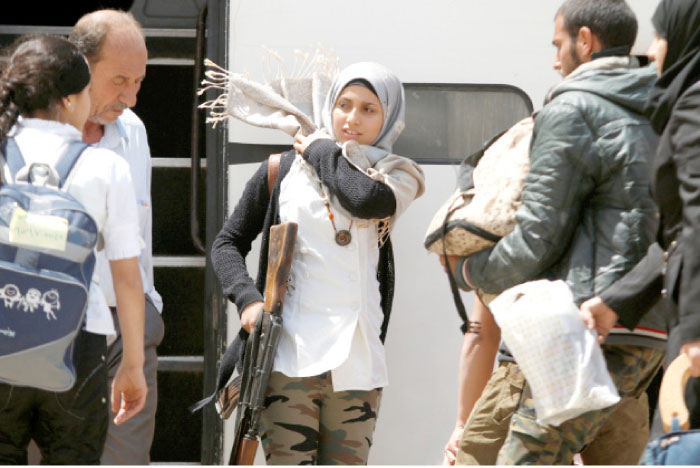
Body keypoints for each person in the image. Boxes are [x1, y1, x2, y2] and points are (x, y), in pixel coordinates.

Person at [441, 0, 667, 464]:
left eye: (558, 44)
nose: (554, 59)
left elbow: (538, 234)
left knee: (502, 458)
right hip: (648, 327)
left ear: (585, 40)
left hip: (583, 326)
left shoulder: (573, 109)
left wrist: (469, 270)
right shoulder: (662, 106)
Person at [211, 62, 424, 465]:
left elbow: (362, 199)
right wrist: (248, 299)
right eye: (343, 104)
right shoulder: (282, 170)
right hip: (290, 357)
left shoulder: (395, 174)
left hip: (358, 365)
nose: (352, 118)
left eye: (368, 109)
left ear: (389, 117)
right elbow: (227, 243)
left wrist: (320, 148)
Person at [0, 34, 146, 464]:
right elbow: (126, 277)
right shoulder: (105, 166)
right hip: (77, 346)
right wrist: (132, 366)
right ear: (68, 99)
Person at [581, 0, 700, 430]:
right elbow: (681, 236)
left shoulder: (695, 105)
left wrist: (695, 328)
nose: (651, 51)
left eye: (660, 35)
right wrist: (617, 300)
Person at [68, 10, 165, 465]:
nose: (130, 97)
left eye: (139, 83)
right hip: (51, 324)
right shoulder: (29, 133)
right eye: (119, 80)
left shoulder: (135, 133)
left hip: (126, 329)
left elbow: (138, 237)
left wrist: (144, 322)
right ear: (80, 65)